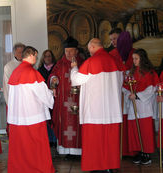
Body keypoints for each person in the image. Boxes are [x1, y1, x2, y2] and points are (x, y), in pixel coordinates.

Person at [70, 38, 123, 172]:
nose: (90, 52)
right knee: (110, 141)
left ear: (93, 47)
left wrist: (74, 68)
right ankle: (109, 167)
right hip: (112, 110)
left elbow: (76, 80)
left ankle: (96, 167)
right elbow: (121, 82)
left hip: (94, 110)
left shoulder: (91, 62)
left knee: (94, 141)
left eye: (89, 50)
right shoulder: (115, 62)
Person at [7, 46, 55, 173]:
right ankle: (40, 169)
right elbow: (43, 94)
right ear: (32, 55)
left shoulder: (15, 72)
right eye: (36, 55)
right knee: (36, 146)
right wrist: (52, 94)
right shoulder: (32, 73)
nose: (36, 58)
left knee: (22, 147)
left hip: (18, 117)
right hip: (33, 116)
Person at [48, 36, 83, 159]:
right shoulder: (60, 63)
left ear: (76, 51)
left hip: (77, 101)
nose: (68, 53)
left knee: (77, 125)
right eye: (66, 51)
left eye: (71, 51)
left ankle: (78, 152)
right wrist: (54, 80)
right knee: (65, 125)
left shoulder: (82, 63)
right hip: (63, 103)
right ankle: (66, 150)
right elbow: (52, 75)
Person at [123, 48, 159, 165]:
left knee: (145, 131)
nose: (134, 61)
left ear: (142, 59)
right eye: (133, 59)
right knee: (134, 130)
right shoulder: (131, 73)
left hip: (144, 106)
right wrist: (129, 94)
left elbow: (151, 89)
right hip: (133, 107)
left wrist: (137, 96)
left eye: (136, 58)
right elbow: (125, 87)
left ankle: (146, 153)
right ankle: (138, 152)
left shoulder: (150, 73)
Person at [38, 49, 57, 147]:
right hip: (44, 97)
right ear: (43, 58)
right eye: (46, 56)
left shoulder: (56, 67)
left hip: (55, 96)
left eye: (49, 56)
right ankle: (49, 139)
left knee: (55, 118)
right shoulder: (40, 70)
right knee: (47, 119)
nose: (48, 58)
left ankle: (55, 139)